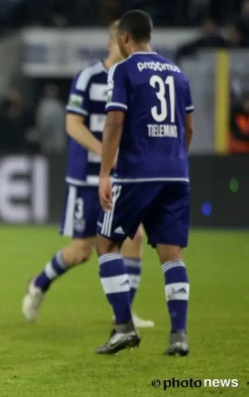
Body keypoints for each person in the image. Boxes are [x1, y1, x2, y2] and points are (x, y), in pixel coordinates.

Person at [22, 21, 154, 329]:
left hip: (120, 178)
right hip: (87, 179)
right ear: (112, 45)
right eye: (124, 43)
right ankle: (39, 284)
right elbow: (73, 125)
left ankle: (123, 315)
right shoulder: (89, 77)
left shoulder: (134, 81)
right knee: (81, 251)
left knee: (134, 237)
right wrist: (105, 152)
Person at [94, 10, 193, 356]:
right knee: (172, 255)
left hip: (137, 173)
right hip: (176, 174)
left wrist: (104, 173)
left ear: (124, 37)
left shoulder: (124, 70)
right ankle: (179, 336)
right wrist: (175, 160)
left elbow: (114, 122)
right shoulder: (178, 73)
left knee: (106, 243)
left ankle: (124, 327)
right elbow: (189, 128)